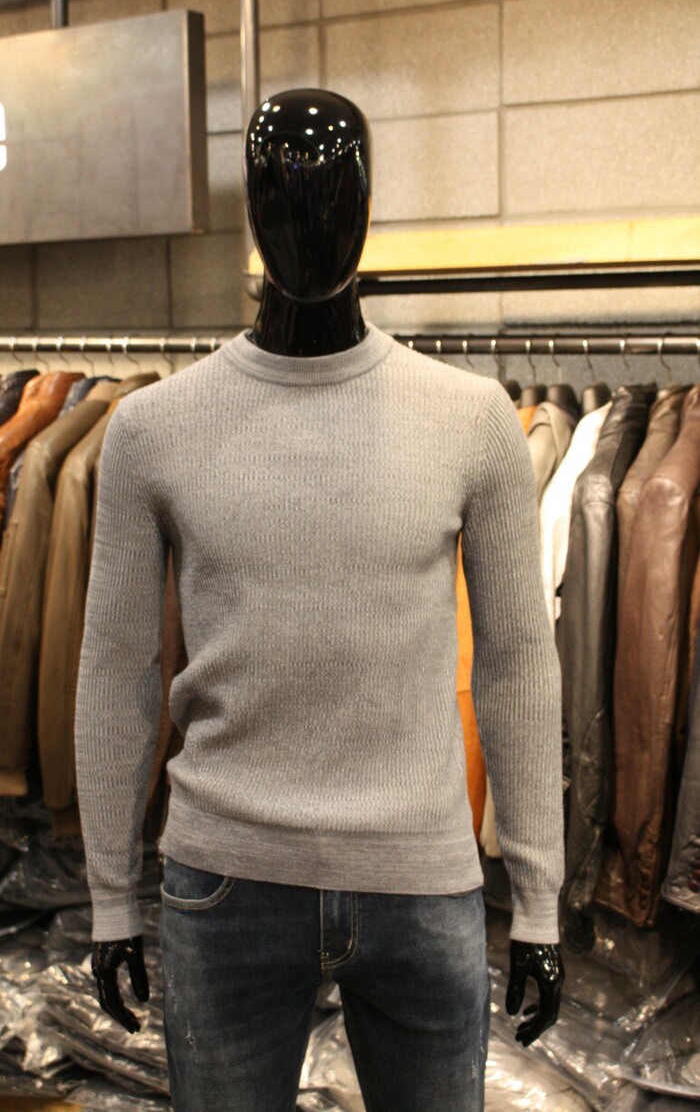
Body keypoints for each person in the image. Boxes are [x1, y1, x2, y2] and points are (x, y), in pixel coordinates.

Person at [75, 88, 565, 1112]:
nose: (312, 221)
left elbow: (519, 662)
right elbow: (116, 667)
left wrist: (539, 900)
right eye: (283, 195)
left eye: (335, 193)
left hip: (421, 879)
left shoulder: (472, 419)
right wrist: (110, 896)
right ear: (251, 212)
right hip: (225, 878)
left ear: (370, 205)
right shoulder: (153, 429)